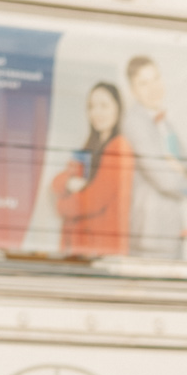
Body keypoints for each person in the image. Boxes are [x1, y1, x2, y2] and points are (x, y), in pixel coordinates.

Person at [123, 55, 187, 260]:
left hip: (171, 232)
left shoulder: (164, 122)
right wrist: (183, 173)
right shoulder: (134, 122)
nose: (153, 87)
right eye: (143, 83)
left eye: (156, 78)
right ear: (133, 90)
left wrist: (181, 169)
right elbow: (165, 180)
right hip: (150, 234)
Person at [49, 81, 134, 256]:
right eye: (92, 106)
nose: (97, 112)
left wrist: (61, 206)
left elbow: (95, 200)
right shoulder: (90, 147)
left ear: (118, 108)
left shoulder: (119, 146)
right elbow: (56, 182)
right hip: (81, 249)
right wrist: (68, 182)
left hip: (100, 251)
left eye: (104, 105)